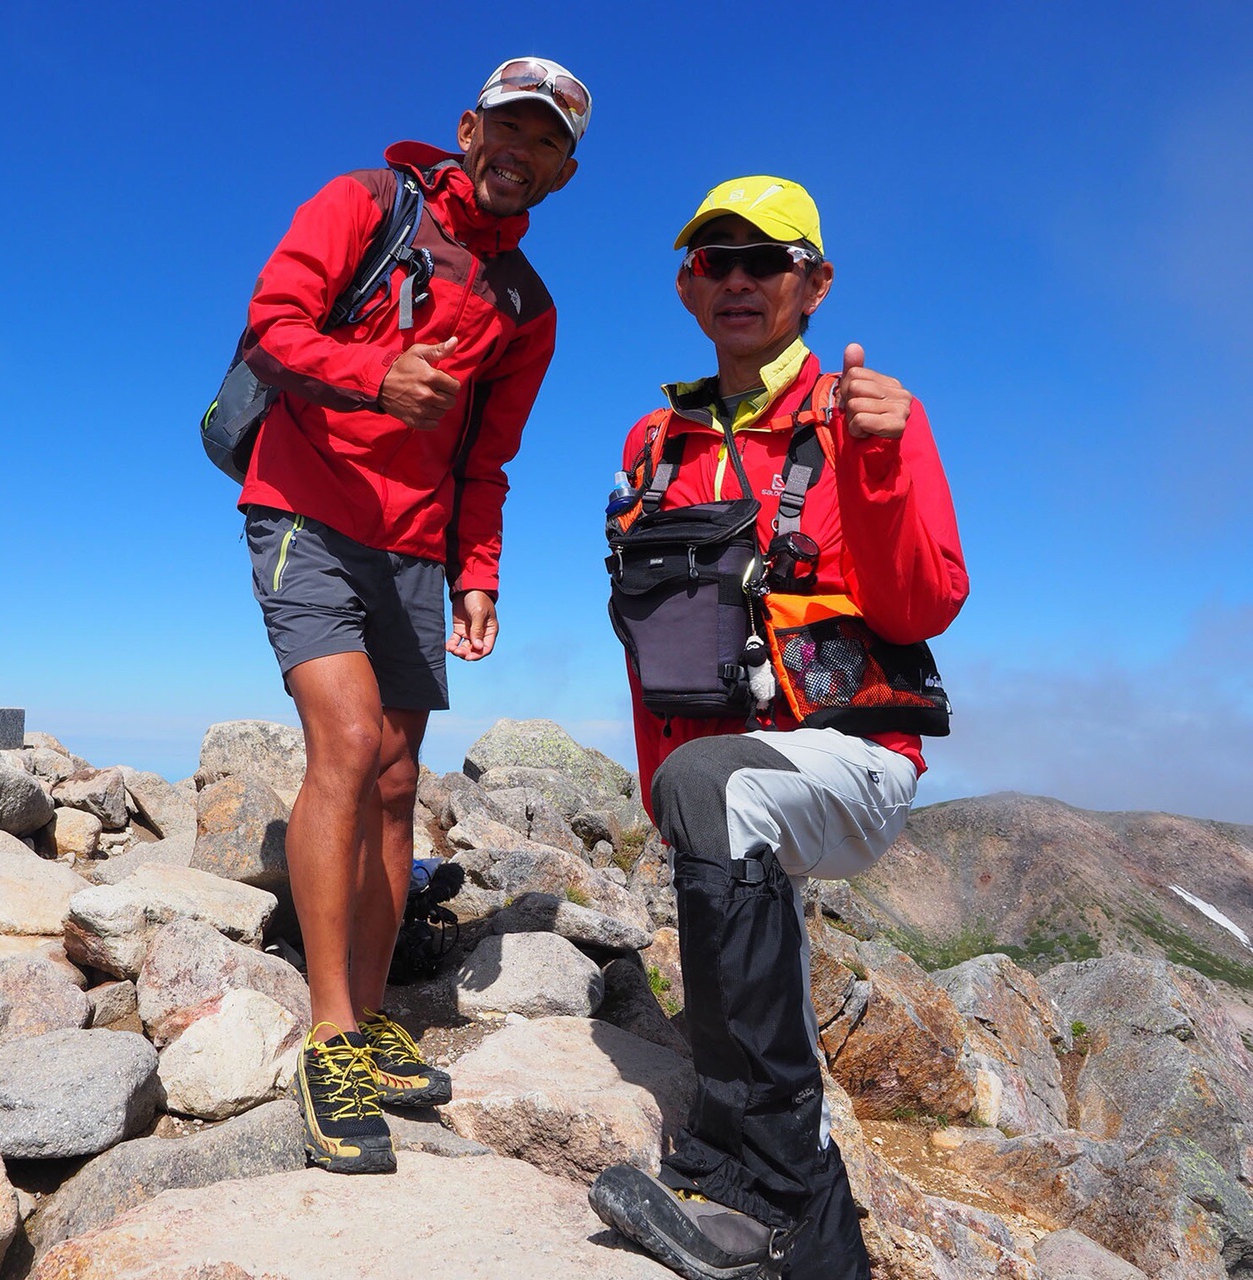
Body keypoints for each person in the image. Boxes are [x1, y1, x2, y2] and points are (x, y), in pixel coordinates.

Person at [588, 178, 969, 1277]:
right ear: (684, 284)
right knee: (709, 792)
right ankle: (822, 1249)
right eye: (715, 260)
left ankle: (752, 1195)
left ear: (814, 282)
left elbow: (919, 606)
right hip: (719, 770)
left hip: (853, 756)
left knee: (717, 788)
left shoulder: (864, 416)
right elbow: (657, 639)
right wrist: (667, 794)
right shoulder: (653, 438)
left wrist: (883, 462)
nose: (738, 279)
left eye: (765, 259)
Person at [235, 57, 589, 1174]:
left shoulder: (524, 308)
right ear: (465, 130)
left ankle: (371, 1009)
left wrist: (477, 572)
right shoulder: (361, 205)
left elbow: (488, 457)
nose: (516, 153)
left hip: (419, 550)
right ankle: (329, 1036)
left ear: (562, 173)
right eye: (505, 129)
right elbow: (270, 327)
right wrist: (374, 375)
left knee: (396, 781)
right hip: (302, 506)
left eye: (542, 143)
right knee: (343, 740)